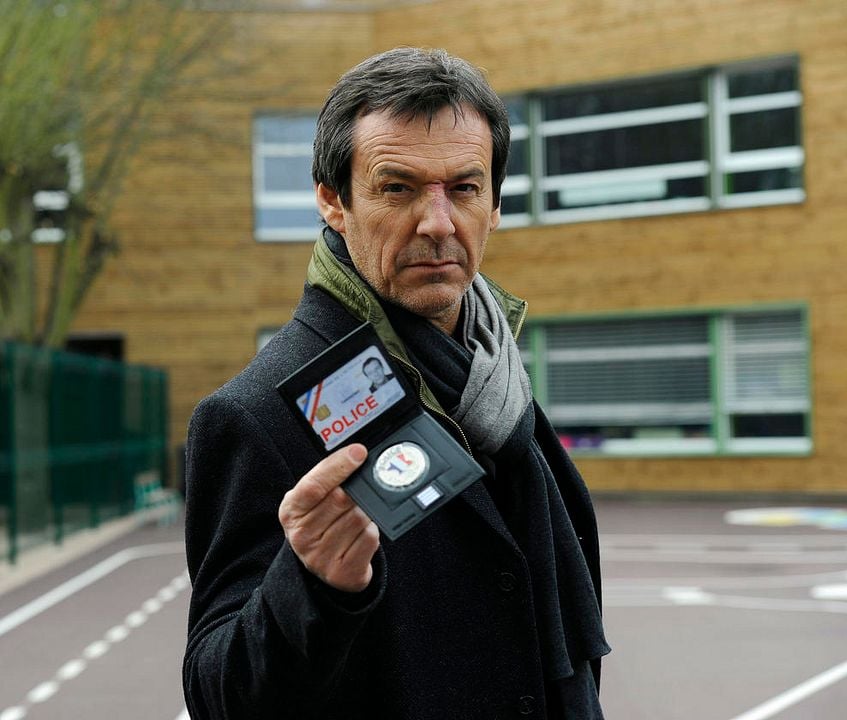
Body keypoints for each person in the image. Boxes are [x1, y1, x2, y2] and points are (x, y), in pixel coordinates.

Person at [182, 47, 610, 720]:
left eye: (463, 189)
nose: (436, 224)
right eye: (397, 188)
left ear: (494, 204)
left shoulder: (493, 380)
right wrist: (312, 586)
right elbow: (217, 696)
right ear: (332, 201)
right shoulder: (253, 415)